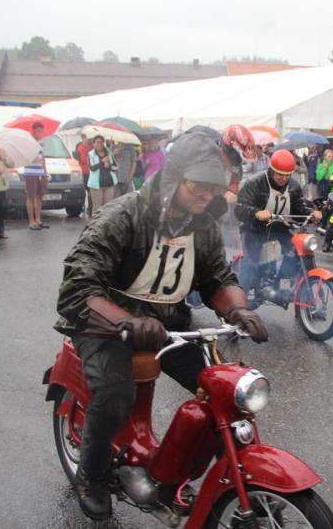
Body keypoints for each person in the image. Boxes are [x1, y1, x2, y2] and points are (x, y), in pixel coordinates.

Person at [54, 132, 268, 521]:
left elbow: (217, 278)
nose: (206, 194)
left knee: (225, 390)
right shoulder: (123, 216)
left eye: (213, 186)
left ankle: (207, 474)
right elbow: (78, 287)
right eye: (198, 185)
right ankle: (91, 476)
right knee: (115, 394)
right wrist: (126, 320)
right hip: (106, 327)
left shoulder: (202, 225)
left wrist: (239, 310)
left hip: (169, 327)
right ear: (173, 179)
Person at [233, 149, 322, 294]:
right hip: (253, 229)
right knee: (250, 263)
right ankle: (239, 300)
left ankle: (281, 287)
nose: (284, 178)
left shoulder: (294, 186)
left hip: (278, 227)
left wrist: (311, 212)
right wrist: (256, 212)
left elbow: (299, 207)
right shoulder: (255, 183)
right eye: (280, 174)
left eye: (287, 175)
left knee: (296, 252)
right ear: (272, 170)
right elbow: (239, 208)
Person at [25, 122, 49, 231]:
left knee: (40, 195)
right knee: (31, 196)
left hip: (40, 171)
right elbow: (24, 156)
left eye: (42, 131)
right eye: (39, 131)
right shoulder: (28, 142)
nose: (40, 133)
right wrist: (32, 159)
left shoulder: (41, 142)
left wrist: (45, 172)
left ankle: (38, 219)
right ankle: (31, 221)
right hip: (30, 172)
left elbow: (43, 158)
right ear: (33, 130)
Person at [87, 136, 117, 213]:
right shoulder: (90, 154)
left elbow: (116, 168)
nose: (99, 144)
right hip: (96, 185)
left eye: (101, 142)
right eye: (97, 142)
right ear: (93, 143)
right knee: (97, 208)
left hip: (109, 184)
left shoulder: (109, 153)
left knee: (108, 207)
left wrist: (109, 166)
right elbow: (92, 168)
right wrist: (102, 162)